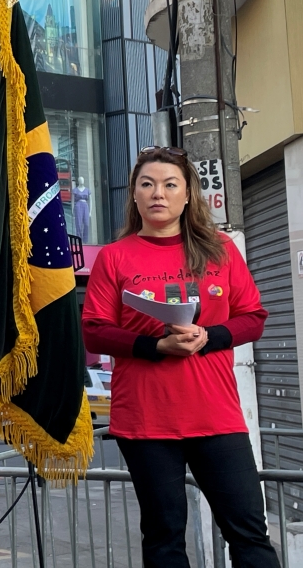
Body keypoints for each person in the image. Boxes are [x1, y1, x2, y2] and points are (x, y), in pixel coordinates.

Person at [82, 146, 279, 567]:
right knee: (164, 537)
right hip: (146, 422)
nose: (158, 193)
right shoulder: (115, 257)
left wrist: (208, 336)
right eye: (147, 184)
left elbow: (254, 318)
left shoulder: (220, 249)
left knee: (249, 533)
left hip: (216, 416)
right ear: (134, 194)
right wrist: (155, 347)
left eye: (170, 184)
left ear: (188, 194)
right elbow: (94, 330)